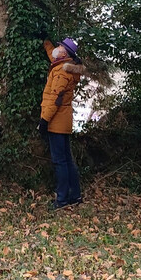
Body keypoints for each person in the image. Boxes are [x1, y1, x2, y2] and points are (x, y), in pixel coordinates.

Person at [38, 36, 85, 209]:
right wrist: (46, 42)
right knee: (67, 159)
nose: (57, 47)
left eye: (60, 46)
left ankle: (62, 199)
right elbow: (53, 56)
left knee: (60, 161)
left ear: (65, 52)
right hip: (63, 122)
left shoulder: (61, 73)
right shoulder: (64, 66)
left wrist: (44, 121)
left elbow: (54, 99)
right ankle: (75, 195)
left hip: (56, 122)